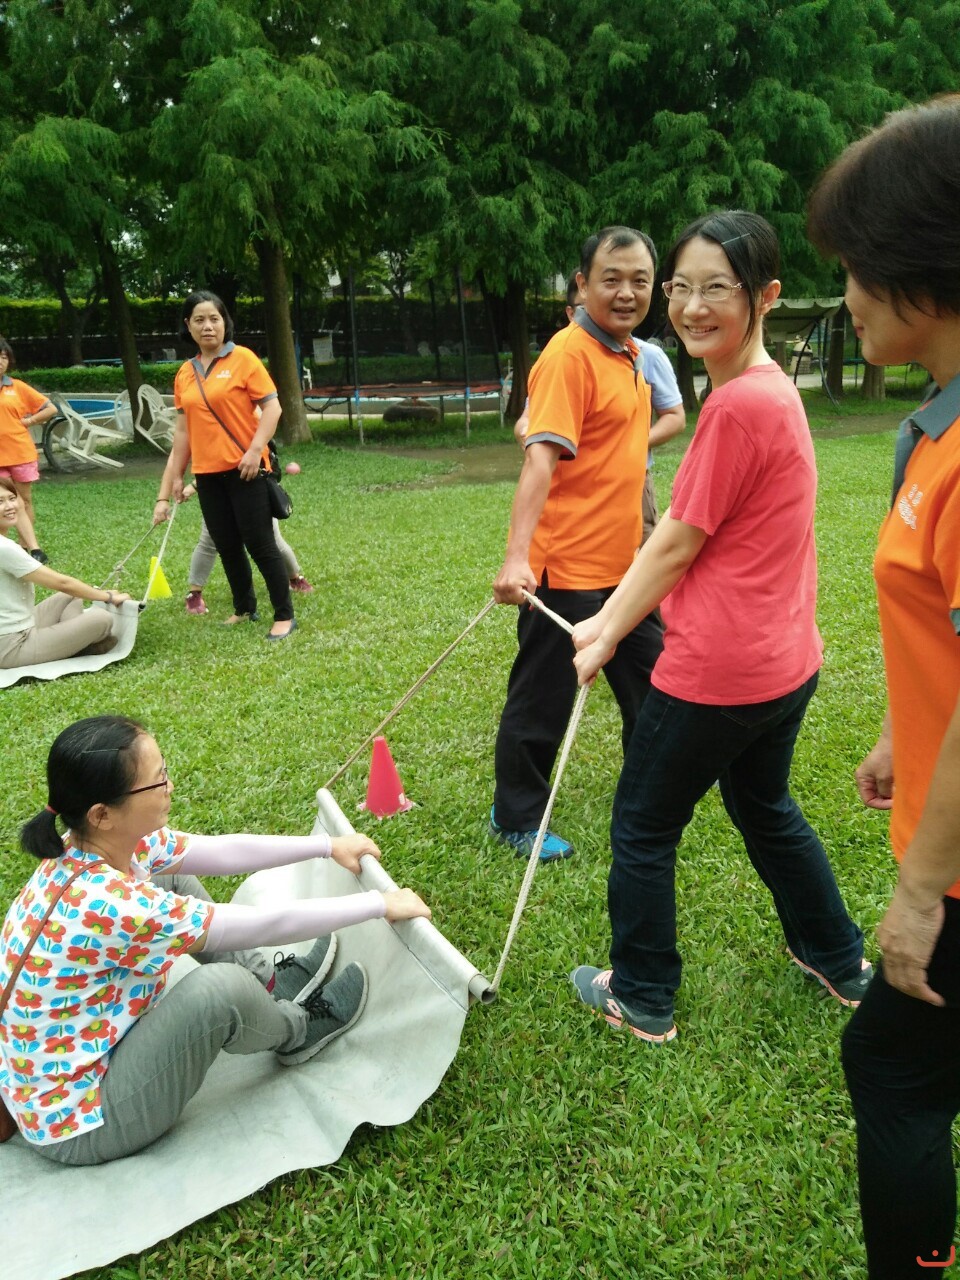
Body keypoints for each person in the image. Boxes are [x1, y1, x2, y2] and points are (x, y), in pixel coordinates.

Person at [569, 210, 869, 1045]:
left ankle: (643, 995)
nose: (692, 307)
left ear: (764, 297)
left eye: (717, 289)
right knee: (764, 804)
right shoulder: (772, 394)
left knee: (642, 824)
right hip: (786, 664)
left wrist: (605, 630)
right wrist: (609, 624)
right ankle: (838, 959)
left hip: (720, 673)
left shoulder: (739, 406)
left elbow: (674, 543)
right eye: (681, 287)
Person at [0, 715, 431, 1165]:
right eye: (157, 781)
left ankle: (268, 985)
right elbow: (263, 924)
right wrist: (378, 904)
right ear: (102, 814)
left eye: (164, 771)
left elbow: (220, 850)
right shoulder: (112, 904)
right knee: (218, 992)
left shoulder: (94, 845)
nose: (169, 786)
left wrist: (327, 847)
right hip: (84, 1122)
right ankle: (297, 1029)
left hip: (72, 1075)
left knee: (172, 879)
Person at [807, 96, 960, 1278]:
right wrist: (903, 733)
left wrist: (919, 891)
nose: (848, 293)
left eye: (859, 265)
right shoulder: (933, 432)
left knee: (892, 1069)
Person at [489, 227, 666, 862]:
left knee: (655, 686)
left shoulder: (632, 354)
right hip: (563, 568)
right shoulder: (570, 355)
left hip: (625, 568)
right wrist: (517, 558)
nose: (626, 293)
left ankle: (649, 797)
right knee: (544, 699)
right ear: (583, 285)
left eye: (640, 281)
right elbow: (539, 458)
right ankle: (514, 815)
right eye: (611, 279)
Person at [515, 274, 685, 547]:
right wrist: (530, 436)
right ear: (571, 313)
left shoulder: (646, 355)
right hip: (572, 492)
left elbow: (675, 417)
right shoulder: (563, 357)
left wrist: (625, 443)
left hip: (631, 483)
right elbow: (528, 418)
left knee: (640, 558)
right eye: (582, 309)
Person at [167, 291, 295, 640]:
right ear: (188, 326)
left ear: (225, 322)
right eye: (199, 320)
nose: (208, 326)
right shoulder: (185, 373)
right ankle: (244, 607)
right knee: (226, 545)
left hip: (246, 470)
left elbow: (273, 408)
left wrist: (255, 451)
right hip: (207, 475)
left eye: (215, 318)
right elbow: (183, 431)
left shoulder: (243, 359)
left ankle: (284, 615)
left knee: (261, 544)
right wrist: (176, 477)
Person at [0, 477, 128, 669]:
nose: (10, 506)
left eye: (12, 498)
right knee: (102, 620)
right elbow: (62, 583)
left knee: (70, 597)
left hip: (22, 625)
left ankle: (74, 642)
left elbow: (67, 589)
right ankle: (78, 644)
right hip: (11, 646)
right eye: (0, 502)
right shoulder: (4, 548)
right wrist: (107, 597)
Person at [152, 470, 313, 615]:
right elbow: (179, 457)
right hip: (216, 489)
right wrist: (163, 499)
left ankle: (294, 579)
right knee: (208, 542)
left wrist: (194, 485)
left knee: (271, 541)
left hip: (251, 484)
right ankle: (195, 593)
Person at [0, 336, 57, 563]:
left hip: (20, 454)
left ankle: (30, 548)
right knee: (2, 502)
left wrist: (29, 421)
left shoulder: (17, 387)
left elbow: (50, 408)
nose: (1, 362)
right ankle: (4, 547)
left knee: (22, 501)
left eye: (4, 357)